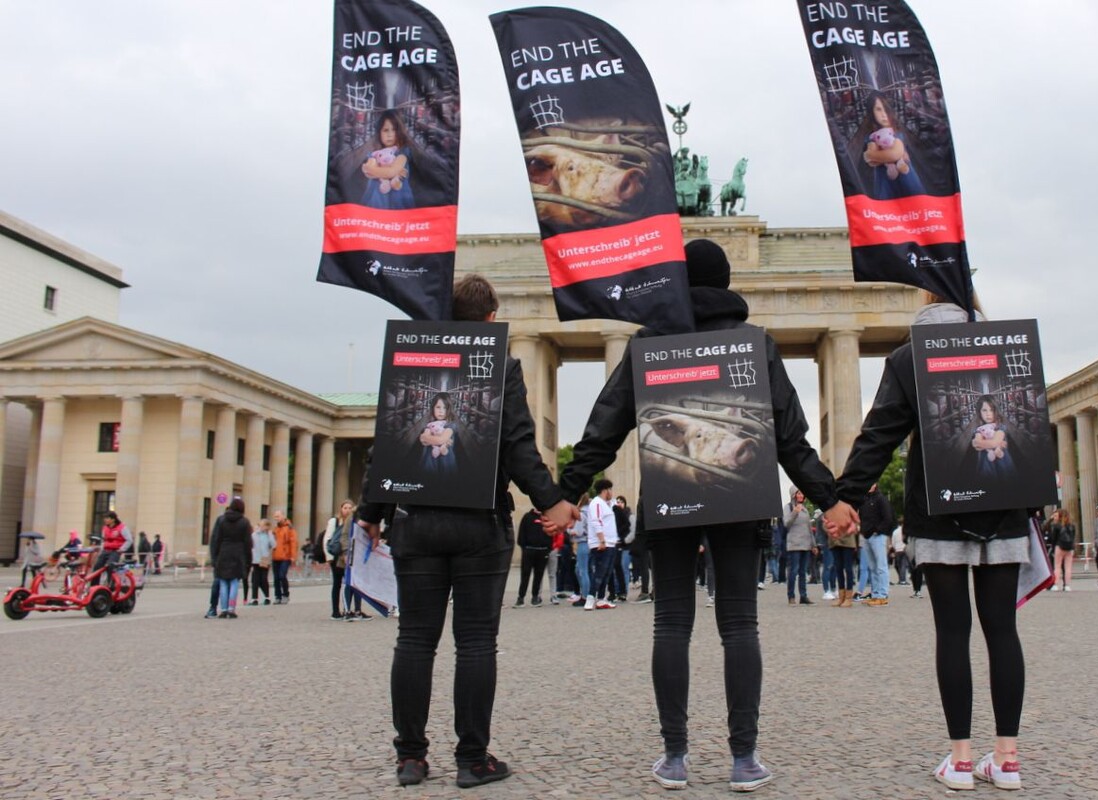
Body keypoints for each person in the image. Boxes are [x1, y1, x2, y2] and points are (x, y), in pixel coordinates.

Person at [558, 239, 857, 792]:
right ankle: (744, 757)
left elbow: (605, 427)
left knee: (671, 623)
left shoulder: (650, 343)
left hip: (672, 497)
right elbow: (790, 437)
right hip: (740, 504)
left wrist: (566, 492)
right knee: (740, 624)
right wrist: (829, 497)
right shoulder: (753, 345)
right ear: (725, 284)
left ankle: (675, 755)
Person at [357, 273, 578, 789]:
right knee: (476, 644)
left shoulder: (412, 359)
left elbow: (386, 444)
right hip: (479, 523)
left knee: (414, 640)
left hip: (415, 520)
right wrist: (553, 503)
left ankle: (411, 757)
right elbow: (521, 447)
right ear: (492, 319)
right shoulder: (501, 364)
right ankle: (472, 759)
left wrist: (370, 510)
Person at [834, 288, 1030, 792]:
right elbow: (1033, 426)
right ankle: (1007, 759)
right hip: (1003, 509)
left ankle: (961, 760)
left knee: (953, 633)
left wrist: (845, 497)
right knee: (1003, 632)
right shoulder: (1010, 348)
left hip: (941, 513)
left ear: (924, 294)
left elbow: (881, 433)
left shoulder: (910, 356)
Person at [854, 91, 927, 200]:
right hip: (885, 182)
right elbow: (870, 159)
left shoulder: (897, 135)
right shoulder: (872, 137)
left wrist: (874, 155)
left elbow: (894, 154)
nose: (884, 114)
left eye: (885, 109)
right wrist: (873, 155)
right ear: (871, 112)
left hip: (906, 180)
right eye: (878, 109)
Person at [360, 110, 415, 209]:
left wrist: (372, 170)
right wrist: (372, 170)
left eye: (394, 130)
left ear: (400, 131)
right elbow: (369, 168)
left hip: (399, 203)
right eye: (385, 130)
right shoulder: (376, 153)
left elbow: (391, 172)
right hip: (376, 202)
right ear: (379, 132)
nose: (389, 134)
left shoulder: (402, 153)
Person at [208, 498, 253, 619]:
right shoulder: (244, 522)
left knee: (223, 583)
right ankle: (231, 608)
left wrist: (214, 557)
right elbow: (248, 543)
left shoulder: (221, 520)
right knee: (234, 583)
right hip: (238, 555)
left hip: (223, 553)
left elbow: (215, 539)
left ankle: (223, 609)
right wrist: (248, 560)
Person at [583, 479, 619, 611]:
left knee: (607, 573)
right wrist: (602, 540)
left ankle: (601, 599)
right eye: (610, 489)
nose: (612, 493)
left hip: (610, 542)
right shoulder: (597, 503)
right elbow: (596, 521)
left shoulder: (606, 504)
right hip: (602, 543)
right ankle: (590, 597)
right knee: (599, 572)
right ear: (606, 490)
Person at [858, 484, 895, 606]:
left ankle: (883, 595)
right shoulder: (864, 499)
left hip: (878, 536)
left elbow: (888, 518)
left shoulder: (881, 499)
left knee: (881, 566)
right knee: (872, 567)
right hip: (867, 536)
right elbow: (861, 517)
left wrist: (878, 530)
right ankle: (875, 594)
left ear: (875, 484)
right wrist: (863, 531)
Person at [410, 393, 461, 478]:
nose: (441, 411)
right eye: (438, 407)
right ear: (433, 408)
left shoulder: (451, 425)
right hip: (429, 461)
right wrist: (441, 439)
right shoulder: (430, 424)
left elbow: (438, 440)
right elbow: (423, 439)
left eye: (445, 408)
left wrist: (432, 438)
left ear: (449, 410)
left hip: (446, 461)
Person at [326, 500, 358, 619]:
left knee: (349, 583)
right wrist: (328, 557)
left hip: (348, 556)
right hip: (336, 556)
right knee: (337, 584)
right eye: (345, 507)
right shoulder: (334, 522)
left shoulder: (353, 522)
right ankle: (335, 611)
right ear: (341, 509)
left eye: (350, 508)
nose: (348, 510)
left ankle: (348, 609)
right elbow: (327, 539)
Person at [970, 396, 1016, 480]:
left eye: (991, 410)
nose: (988, 414)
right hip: (986, 463)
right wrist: (998, 443)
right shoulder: (980, 429)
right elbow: (976, 444)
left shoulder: (1000, 427)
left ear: (996, 411)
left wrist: (983, 442)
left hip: (1002, 461)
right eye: (984, 410)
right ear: (979, 412)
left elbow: (991, 443)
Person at [783, 488, 815, 606]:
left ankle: (803, 596)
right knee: (793, 571)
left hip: (806, 544)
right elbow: (786, 523)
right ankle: (791, 596)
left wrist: (813, 544)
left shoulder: (805, 509)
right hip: (794, 544)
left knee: (803, 572)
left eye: (802, 493)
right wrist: (795, 512)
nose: (801, 495)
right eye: (799, 493)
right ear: (794, 494)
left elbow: (809, 529)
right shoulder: (788, 508)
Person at [514, 509, 550, 608]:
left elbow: (551, 533)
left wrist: (548, 547)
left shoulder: (546, 517)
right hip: (529, 550)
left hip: (542, 550)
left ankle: (535, 597)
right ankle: (520, 598)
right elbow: (521, 533)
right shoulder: (527, 517)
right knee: (525, 574)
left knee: (539, 575)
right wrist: (524, 547)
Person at [270, 511, 298, 604]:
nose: (276, 518)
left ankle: (285, 594)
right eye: (275, 517)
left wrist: (293, 556)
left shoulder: (289, 528)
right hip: (275, 556)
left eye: (277, 516)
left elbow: (293, 543)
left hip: (285, 556)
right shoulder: (275, 529)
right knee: (276, 577)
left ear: (283, 516)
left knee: (282, 575)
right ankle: (277, 596)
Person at [94, 511, 132, 577]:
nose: (105, 520)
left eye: (107, 518)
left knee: (110, 566)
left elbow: (129, 540)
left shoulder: (122, 527)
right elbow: (103, 540)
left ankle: (111, 584)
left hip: (115, 551)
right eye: (104, 518)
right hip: (106, 550)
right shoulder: (105, 528)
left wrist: (122, 549)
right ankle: (94, 586)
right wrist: (102, 548)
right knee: (97, 566)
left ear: (113, 519)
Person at [1047, 508, 1076, 591]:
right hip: (1069, 548)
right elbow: (1073, 537)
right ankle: (1067, 585)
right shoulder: (1072, 525)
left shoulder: (1057, 526)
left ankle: (1055, 585)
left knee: (1057, 566)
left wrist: (1053, 548)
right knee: (1068, 567)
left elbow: (1054, 539)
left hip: (1059, 546)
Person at [250, 519, 275, 605]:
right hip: (255, 559)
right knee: (255, 580)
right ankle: (254, 598)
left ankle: (267, 597)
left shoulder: (269, 535)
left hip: (264, 559)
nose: (262, 527)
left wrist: (270, 535)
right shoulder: (254, 534)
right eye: (261, 525)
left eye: (264, 525)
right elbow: (250, 546)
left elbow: (274, 545)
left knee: (264, 579)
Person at [891, 519, 909, 586]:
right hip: (904, 549)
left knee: (897, 565)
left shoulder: (895, 531)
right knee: (903, 565)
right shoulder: (906, 531)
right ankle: (903, 580)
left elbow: (893, 541)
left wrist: (894, 548)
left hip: (897, 550)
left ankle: (901, 579)